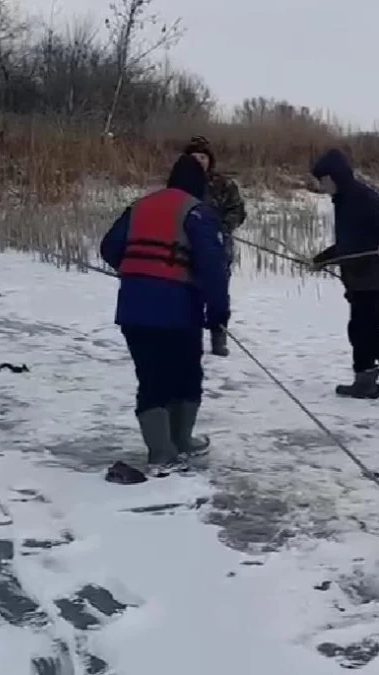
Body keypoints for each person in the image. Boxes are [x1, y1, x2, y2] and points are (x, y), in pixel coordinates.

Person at [99, 154, 229, 475]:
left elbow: (108, 247)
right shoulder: (198, 212)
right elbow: (214, 269)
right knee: (185, 375)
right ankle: (178, 443)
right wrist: (218, 314)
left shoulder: (140, 206)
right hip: (178, 310)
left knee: (152, 377)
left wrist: (136, 270)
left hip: (133, 307)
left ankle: (163, 449)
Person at [308, 148, 379, 398]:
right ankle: (366, 378)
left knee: (364, 329)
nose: (321, 185)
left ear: (336, 177)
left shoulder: (361, 195)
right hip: (361, 280)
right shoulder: (343, 201)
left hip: (375, 277)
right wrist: (322, 260)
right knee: (361, 328)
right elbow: (347, 245)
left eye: (324, 179)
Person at [184, 135, 246, 357]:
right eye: (194, 157)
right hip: (186, 246)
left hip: (218, 246)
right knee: (187, 292)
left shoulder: (224, 184)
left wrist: (223, 227)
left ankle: (218, 336)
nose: (199, 161)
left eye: (203, 157)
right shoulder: (181, 184)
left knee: (217, 292)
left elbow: (238, 210)